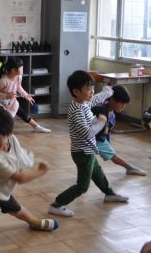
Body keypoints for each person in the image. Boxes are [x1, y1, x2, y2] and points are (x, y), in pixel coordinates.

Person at [0, 106, 59, 253]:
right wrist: (40, 171)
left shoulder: (13, 140)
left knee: (14, 207)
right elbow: (19, 178)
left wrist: (27, 165)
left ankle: (33, 222)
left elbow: (19, 160)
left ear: (8, 134)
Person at [48, 70, 129, 217]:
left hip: (87, 150)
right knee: (82, 186)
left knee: (97, 173)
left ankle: (109, 194)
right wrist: (100, 122)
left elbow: (97, 98)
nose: (91, 92)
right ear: (76, 91)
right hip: (82, 152)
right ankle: (57, 204)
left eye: (92, 88)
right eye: (88, 89)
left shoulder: (84, 102)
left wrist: (107, 90)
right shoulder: (77, 111)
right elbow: (87, 133)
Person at [91, 85, 147, 176]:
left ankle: (130, 168)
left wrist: (108, 144)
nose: (123, 107)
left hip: (100, 139)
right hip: (93, 139)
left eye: (124, 104)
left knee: (111, 155)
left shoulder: (112, 115)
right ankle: (130, 168)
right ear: (112, 99)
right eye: (121, 103)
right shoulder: (100, 109)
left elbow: (107, 132)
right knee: (112, 156)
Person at [0, 57, 50, 133]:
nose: (23, 68)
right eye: (20, 67)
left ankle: (37, 127)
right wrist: (6, 96)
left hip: (10, 99)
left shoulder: (18, 77)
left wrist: (25, 94)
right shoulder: (3, 81)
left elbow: (18, 87)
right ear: (13, 70)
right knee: (4, 115)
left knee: (22, 113)